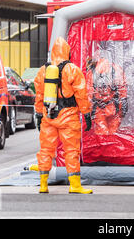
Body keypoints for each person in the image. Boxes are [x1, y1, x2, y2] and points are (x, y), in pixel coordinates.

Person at [34, 37, 93, 194]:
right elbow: (81, 94)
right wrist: (87, 114)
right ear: (68, 52)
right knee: (71, 151)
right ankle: (74, 185)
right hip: (68, 117)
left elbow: (39, 95)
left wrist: (39, 113)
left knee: (46, 150)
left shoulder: (43, 70)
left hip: (49, 116)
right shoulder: (72, 69)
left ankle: (43, 185)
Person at [86, 56, 128, 136]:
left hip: (102, 107)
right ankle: (110, 147)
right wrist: (124, 101)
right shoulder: (116, 70)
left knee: (103, 133)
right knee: (112, 133)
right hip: (111, 107)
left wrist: (88, 111)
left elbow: (89, 94)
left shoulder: (91, 73)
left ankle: (105, 147)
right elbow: (122, 88)